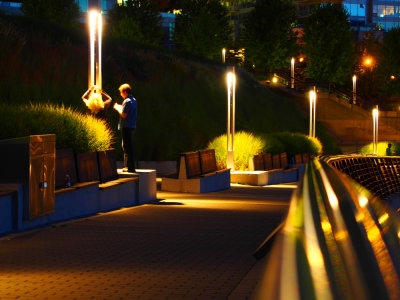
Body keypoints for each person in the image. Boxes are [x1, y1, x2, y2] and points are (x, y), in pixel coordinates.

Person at [113, 83, 137, 172]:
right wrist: (121, 107)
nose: (120, 94)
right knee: (128, 146)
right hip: (131, 126)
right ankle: (128, 166)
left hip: (126, 126)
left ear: (125, 92)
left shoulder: (127, 101)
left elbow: (124, 114)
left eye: (121, 92)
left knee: (127, 146)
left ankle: (129, 167)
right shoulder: (133, 100)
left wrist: (117, 107)